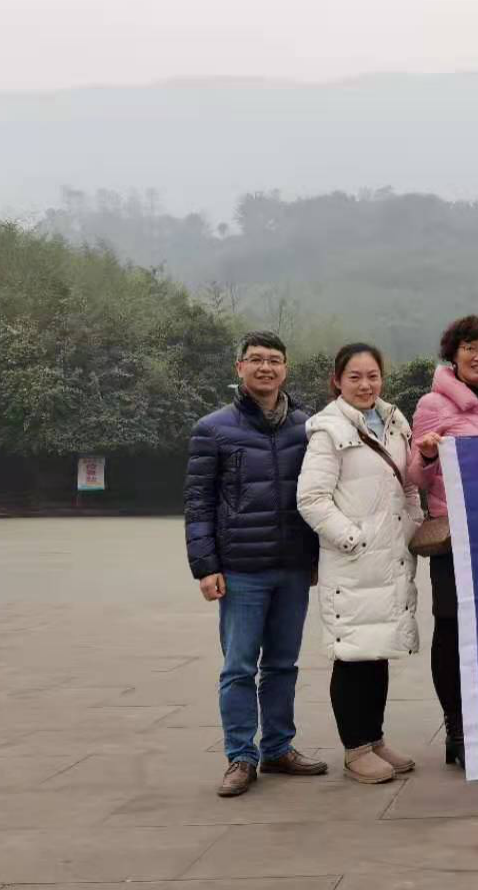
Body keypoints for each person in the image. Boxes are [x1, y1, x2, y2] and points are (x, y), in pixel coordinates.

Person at [184, 331, 327, 798]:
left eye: (275, 360)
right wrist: (205, 566)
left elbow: (319, 494)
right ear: (239, 367)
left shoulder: (307, 426)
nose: (266, 368)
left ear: (286, 368)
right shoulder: (212, 429)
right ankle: (240, 756)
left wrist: (315, 557)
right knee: (239, 667)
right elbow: (198, 502)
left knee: (283, 664)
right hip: (241, 568)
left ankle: (278, 748)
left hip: (292, 567)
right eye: (256, 359)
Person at [297, 343, 423, 783]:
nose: (365, 385)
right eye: (355, 377)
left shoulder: (395, 423)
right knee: (352, 654)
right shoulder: (328, 431)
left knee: (378, 650)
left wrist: (411, 527)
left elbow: (409, 485)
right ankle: (355, 749)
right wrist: (354, 538)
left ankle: (375, 738)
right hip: (352, 564)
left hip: (390, 561)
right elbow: (311, 498)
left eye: (373, 376)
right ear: (337, 381)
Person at [410, 316, 478, 769]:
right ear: (453, 354)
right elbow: (415, 477)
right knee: (452, 627)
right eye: (471, 348)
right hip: (454, 535)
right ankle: (456, 727)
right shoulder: (432, 404)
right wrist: (428, 453)